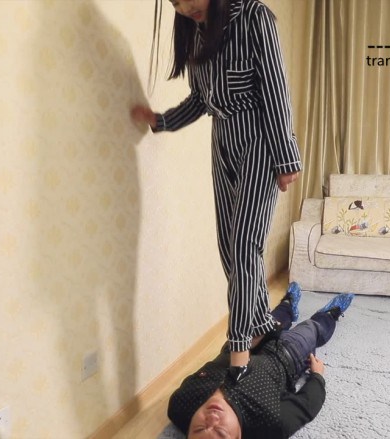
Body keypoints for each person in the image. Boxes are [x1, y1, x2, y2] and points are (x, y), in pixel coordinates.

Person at [131, 0, 302, 370]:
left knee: (244, 245)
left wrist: (286, 158)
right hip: (221, 138)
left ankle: (239, 348)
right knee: (228, 245)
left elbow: (275, 90)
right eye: (174, 2)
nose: (183, 7)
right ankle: (259, 325)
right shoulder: (196, 30)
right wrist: (161, 121)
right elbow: (201, 100)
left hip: (260, 138)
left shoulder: (254, 16)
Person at [167, 283, 355, 439]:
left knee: (271, 319)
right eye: (221, 432)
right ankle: (328, 315)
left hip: (242, 347)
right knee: (311, 329)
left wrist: (252, 339)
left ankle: (288, 305)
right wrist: (317, 376)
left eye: (199, 428)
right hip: (285, 355)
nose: (212, 419)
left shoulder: (181, 404)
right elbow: (307, 405)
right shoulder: (270, 425)